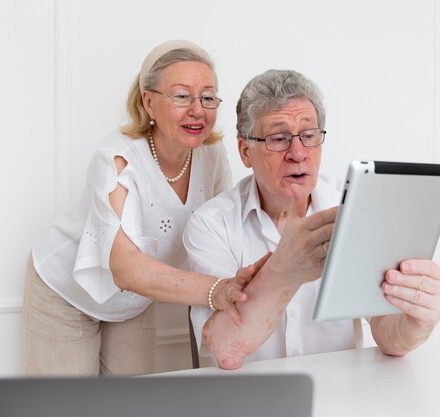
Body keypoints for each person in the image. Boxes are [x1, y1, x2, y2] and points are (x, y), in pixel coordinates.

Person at [22, 40, 267, 376]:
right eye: (182, 96)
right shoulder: (117, 159)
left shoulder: (212, 156)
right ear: (148, 102)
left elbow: (224, 230)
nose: (198, 110)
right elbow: (124, 267)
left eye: (208, 97)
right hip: (66, 292)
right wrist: (217, 290)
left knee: (132, 406)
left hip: (133, 301)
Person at [184, 69, 440, 370]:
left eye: (309, 135)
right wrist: (285, 271)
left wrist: (418, 321)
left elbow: (388, 336)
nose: (298, 153)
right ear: (246, 151)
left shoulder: (351, 207)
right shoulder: (210, 224)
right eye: (278, 138)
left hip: (341, 399)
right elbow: (224, 349)